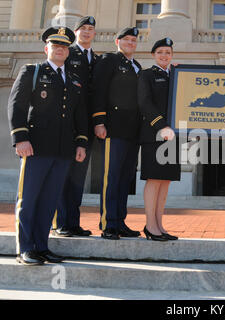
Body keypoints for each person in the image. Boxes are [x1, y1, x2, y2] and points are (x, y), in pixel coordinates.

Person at [8, 26, 88, 265]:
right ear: (47, 48)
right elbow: (17, 106)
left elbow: (79, 115)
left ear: (68, 51)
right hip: (36, 147)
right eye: (56, 46)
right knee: (30, 198)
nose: (60, 49)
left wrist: (81, 143)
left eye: (64, 46)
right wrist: (21, 138)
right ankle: (26, 248)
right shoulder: (32, 71)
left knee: (50, 200)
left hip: (63, 151)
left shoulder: (74, 81)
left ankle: (42, 246)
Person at [92, 27, 142, 240]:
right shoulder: (108, 60)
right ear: (117, 41)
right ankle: (108, 223)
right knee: (110, 177)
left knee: (125, 178)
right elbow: (98, 91)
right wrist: (99, 121)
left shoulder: (137, 66)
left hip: (133, 131)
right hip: (113, 128)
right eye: (127, 39)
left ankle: (120, 221)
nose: (131, 43)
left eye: (134, 40)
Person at [53, 16, 99, 237]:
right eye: (84, 29)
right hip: (67, 122)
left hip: (86, 125)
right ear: (76, 31)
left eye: (91, 29)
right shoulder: (68, 53)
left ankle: (73, 222)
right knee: (64, 173)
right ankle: (61, 222)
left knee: (78, 175)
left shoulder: (96, 58)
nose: (87, 32)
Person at [137, 38, 180, 241]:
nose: (164, 56)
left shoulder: (177, 76)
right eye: (161, 52)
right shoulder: (146, 74)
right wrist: (161, 126)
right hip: (154, 135)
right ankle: (150, 226)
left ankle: (159, 225)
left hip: (174, 137)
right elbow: (144, 102)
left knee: (165, 182)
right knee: (154, 180)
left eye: (168, 52)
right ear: (154, 54)